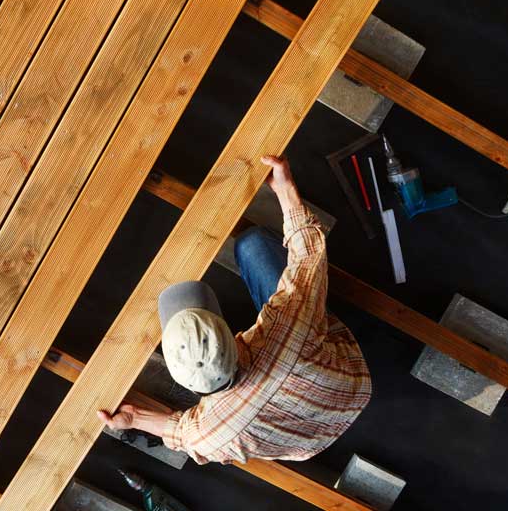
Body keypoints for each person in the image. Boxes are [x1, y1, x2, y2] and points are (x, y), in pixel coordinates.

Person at [98, 155, 372, 463]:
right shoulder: (286, 329)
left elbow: (183, 433)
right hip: (352, 385)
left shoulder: (211, 434)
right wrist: (284, 188)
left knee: (294, 298)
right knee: (252, 245)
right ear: (228, 331)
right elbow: (309, 258)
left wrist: (134, 420)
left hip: (311, 439)